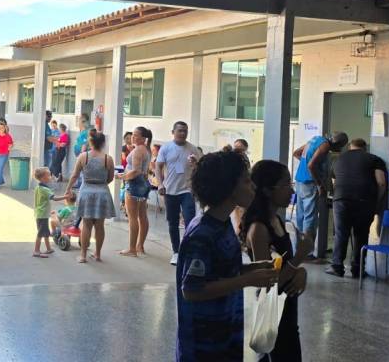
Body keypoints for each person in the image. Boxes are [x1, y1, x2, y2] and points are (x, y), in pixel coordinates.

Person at [176, 150, 279, 361]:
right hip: (203, 344)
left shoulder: (223, 224)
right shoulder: (202, 234)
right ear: (228, 187)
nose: (253, 187)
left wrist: (255, 268)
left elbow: (221, 271)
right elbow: (192, 290)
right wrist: (247, 280)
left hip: (226, 332)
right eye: (246, 181)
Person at [242, 160, 314, 362]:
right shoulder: (259, 229)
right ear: (267, 190)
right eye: (285, 185)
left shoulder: (277, 221)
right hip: (273, 313)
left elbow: (285, 265)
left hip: (287, 309)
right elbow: (268, 284)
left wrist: (300, 272)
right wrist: (299, 258)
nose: (291, 191)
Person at [326, 138, 386, 278]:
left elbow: (334, 182)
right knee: (361, 234)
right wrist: (377, 201)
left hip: (341, 200)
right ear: (365, 148)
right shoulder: (374, 159)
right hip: (365, 200)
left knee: (341, 233)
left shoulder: (338, 159)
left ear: (349, 147)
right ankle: (357, 269)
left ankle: (337, 267)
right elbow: (381, 182)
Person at [292, 131, 349, 259]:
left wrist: (306, 167)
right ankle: (307, 253)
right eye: (340, 146)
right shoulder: (325, 146)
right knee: (310, 219)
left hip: (300, 181)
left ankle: (299, 250)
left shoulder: (315, 139)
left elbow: (296, 153)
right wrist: (320, 185)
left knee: (301, 217)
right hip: (310, 183)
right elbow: (311, 165)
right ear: (337, 143)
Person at [155, 121, 204, 266]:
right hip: (170, 190)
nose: (183, 133)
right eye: (180, 130)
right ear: (173, 132)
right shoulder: (166, 148)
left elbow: (201, 167)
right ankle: (176, 251)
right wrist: (160, 184)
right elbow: (158, 167)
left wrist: (196, 163)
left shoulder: (193, 149)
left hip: (187, 190)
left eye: (185, 131)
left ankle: (187, 250)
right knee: (173, 222)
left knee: (190, 221)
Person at [64, 131, 116, 264]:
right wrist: (100, 184)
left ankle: (83, 255)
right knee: (100, 225)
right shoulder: (108, 159)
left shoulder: (83, 157)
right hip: (102, 192)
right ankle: (97, 254)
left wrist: (68, 189)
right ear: (103, 143)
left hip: (86, 191)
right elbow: (110, 178)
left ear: (90, 142)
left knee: (86, 224)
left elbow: (75, 175)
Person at [116, 126, 153, 257]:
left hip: (135, 184)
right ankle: (140, 245)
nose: (133, 137)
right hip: (143, 183)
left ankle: (132, 248)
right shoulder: (146, 149)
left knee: (133, 217)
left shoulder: (138, 150)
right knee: (142, 216)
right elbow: (142, 170)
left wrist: (123, 176)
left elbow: (136, 171)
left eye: (136, 135)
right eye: (133, 134)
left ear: (143, 138)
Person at [33, 168, 66, 258]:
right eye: (48, 175)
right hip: (42, 214)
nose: (50, 177)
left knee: (45, 232)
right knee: (41, 233)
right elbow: (54, 198)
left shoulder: (38, 187)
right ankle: (36, 251)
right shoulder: (45, 189)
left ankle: (48, 248)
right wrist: (65, 197)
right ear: (43, 178)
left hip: (40, 213)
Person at [0, 120, 14, 189]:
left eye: (2, 128)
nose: (1, 129)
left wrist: (10, 147)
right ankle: (1, 181)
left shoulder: (8, 136)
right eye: (0, 128)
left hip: (4, 155)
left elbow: (11, 144)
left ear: (5, 128)